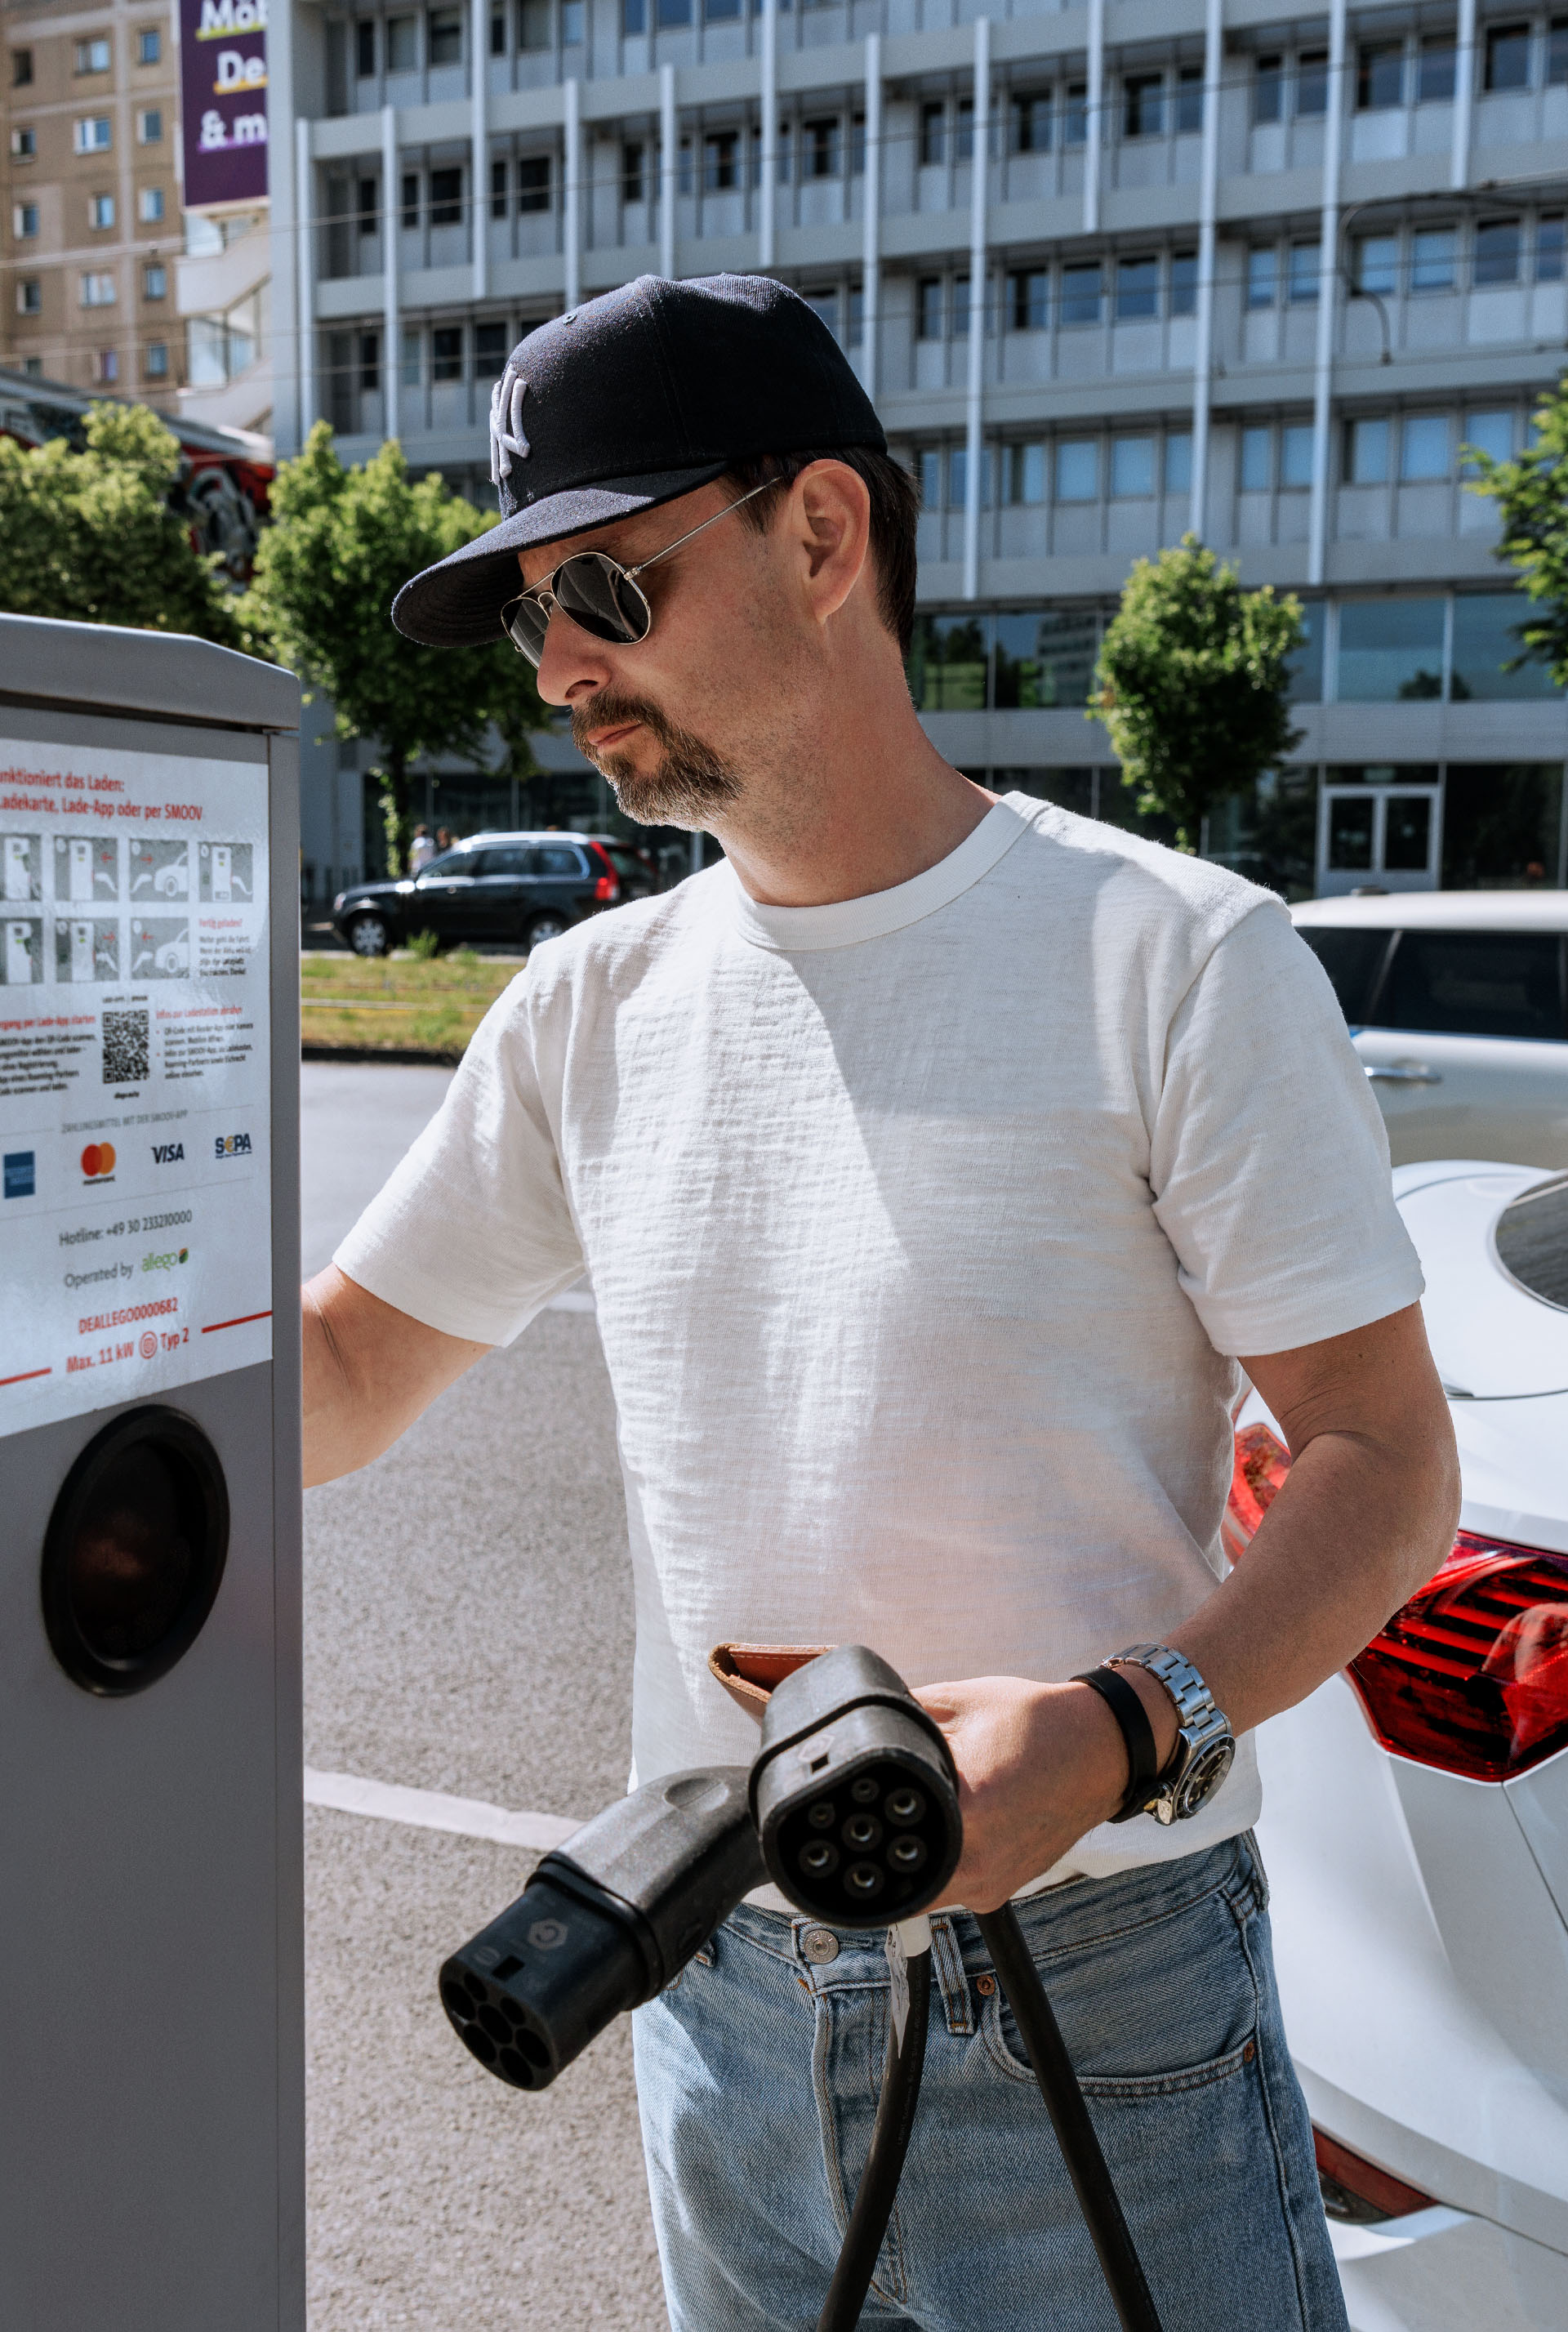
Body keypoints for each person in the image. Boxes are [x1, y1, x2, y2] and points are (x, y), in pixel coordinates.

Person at [302, 275, 1459, 2331]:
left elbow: (1388, 1467)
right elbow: (341, 1369)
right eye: (528, 612)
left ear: (822, 535)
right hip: (717, 1988)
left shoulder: (1174, 959)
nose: (556, 665)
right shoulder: (592, 1002)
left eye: (602, 584)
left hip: (1106, 1990)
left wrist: (1123, 1730)